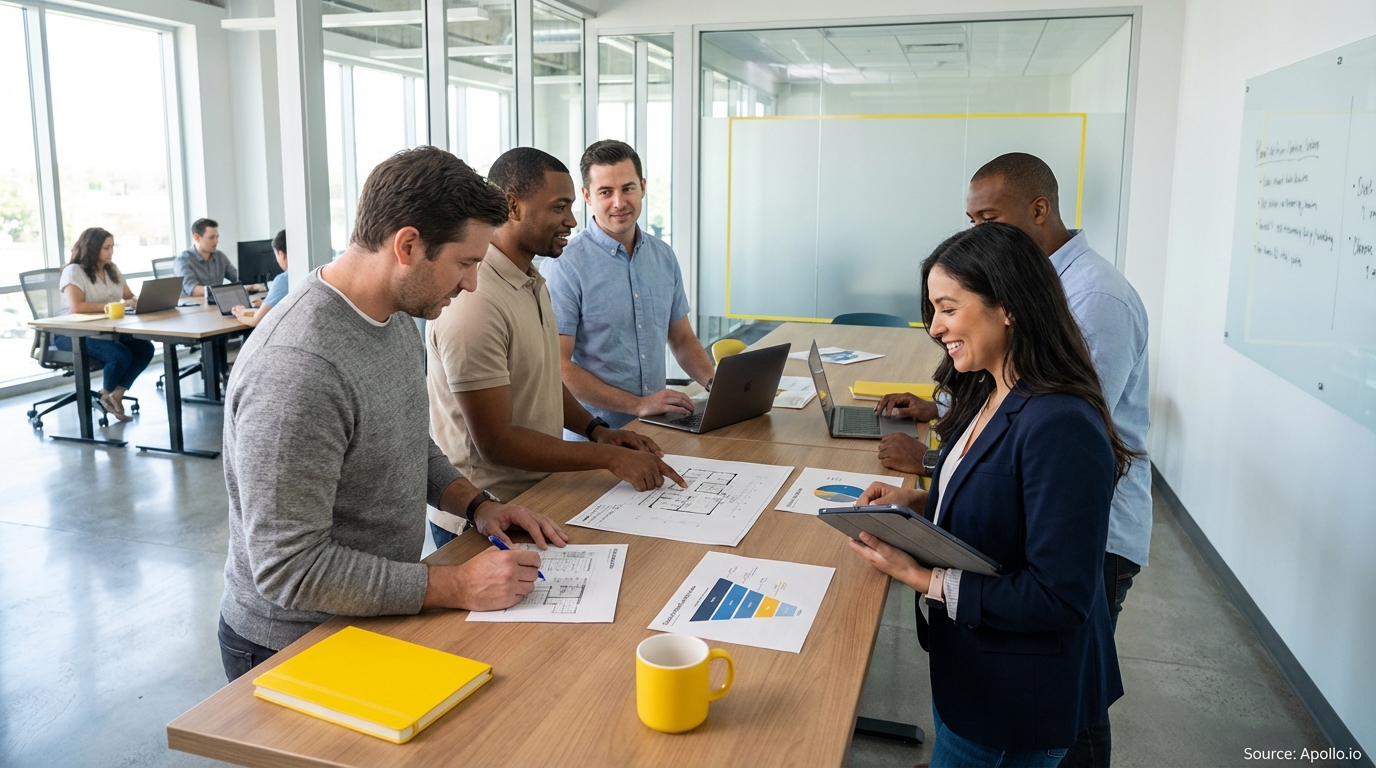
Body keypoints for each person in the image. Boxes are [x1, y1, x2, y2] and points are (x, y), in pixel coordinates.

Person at [218, 146, 568, 683]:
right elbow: (289, 569)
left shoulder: (395, 314)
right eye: (465, 263)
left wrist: (477, 506)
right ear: (408, 246)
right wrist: (457, 585)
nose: (472, 284)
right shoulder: (298, 368)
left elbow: (407, 439)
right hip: (292, 644)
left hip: (369, 615)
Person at [871, 153, 1151, 767]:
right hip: (974, 674)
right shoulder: (990, 391)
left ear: (1009, 307)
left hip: (1012, 703)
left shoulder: (1061, 423)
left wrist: (920, 576)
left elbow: (1058, 597)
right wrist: (920, 502)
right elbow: (1001, 498)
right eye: (933, 310)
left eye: (949, 309)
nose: (935, 328)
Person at [426, 146, 686, 549]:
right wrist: (609, 457)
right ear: (512, 206)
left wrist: (598, 432)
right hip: (482, 517)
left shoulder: (531, 279)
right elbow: (496, 443)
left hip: (537, 497)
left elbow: (544, 380)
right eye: (559, 207)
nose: (572, 220)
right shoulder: (475, 300)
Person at [543, 140, 715, 429]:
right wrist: (637, 404)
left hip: (659, 426)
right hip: (597, 436)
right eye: (605, 192)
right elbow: (557, 366)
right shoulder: (565, 266)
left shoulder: (663, 256)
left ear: (643, 187)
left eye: (628, 188)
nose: (619, 202)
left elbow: (682, 339)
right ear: (587, 196)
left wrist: (716, 386)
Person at [54, 227, 154, 421]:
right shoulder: (73, 271)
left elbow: (128, 296)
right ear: (92, 248)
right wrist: (114, 306)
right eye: (106, 248)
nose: (111, 252)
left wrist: (135, 301)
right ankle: (105, 396)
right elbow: (77, 306)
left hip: (104, 331)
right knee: (119, 355)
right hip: (71, 334)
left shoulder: (112, 269)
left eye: (112, 247)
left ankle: (115, 394)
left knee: (145, 348)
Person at [230, 229, 289, 327]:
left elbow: (256, 321)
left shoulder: (283, 280)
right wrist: (264, 305)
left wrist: (239, 314)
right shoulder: (308, 274)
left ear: (281, 255)